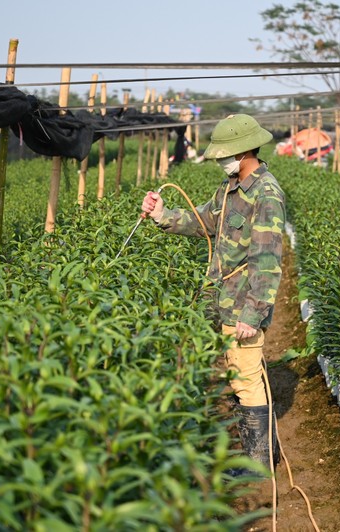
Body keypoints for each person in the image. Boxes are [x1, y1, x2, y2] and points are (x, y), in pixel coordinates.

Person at [141, 114, 285, 474]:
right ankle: (262, 454)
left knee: (246, 376)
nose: (222, 161)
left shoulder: (266, 194)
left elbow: (267, 261)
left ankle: (258, 464)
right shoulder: (230, 188)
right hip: (224, 300)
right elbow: (204, 220)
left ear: (245, 150)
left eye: (225, 154)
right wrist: (162, 214)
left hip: (242, 306)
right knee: (242, 372)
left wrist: (252, 315)